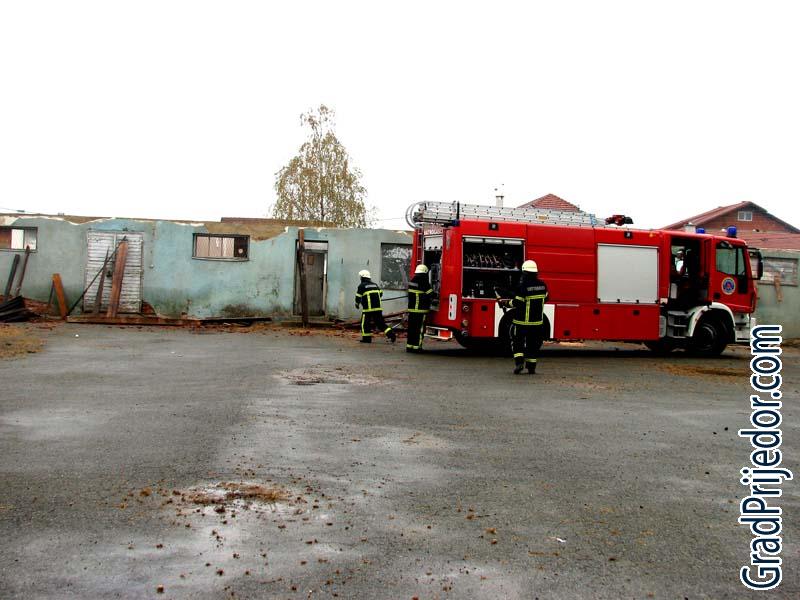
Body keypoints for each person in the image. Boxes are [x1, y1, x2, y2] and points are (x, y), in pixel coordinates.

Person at [506, 259, 548, 374]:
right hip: (537, 323)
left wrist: (506, 303)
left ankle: (519, 363)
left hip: (521, 322)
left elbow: (517, 303)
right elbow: (546, 298)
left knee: (517, 343)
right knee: (533, 345)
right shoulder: (543, 286)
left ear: (525, 273)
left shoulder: (522, 287)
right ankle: (531, 367)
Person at [355, 270, 396, 343]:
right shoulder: (375, 285)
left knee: (365, 324)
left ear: (362, 277)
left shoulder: (361, 286)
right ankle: (391, 334)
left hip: (368, 310)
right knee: (380, 324)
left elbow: (358, 297)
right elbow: (381, 293)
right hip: (378, 309)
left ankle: (366, 339)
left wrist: (357, 304)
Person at [406, 264, 433, 353]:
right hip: (420, 310)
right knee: (419, 330)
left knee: (411, 329)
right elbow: (431, 294)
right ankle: (417, 347)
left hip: (411, 310)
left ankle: (409, 346)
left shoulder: (412, 281)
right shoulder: (424, 282)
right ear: (425, 272)